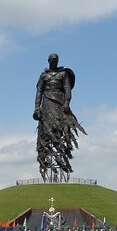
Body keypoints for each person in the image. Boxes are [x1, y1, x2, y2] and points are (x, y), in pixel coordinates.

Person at [34, 54, 85, 182]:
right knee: (47, 130)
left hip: (60, 103)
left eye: (55, 60)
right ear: (48, 61)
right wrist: (36, 108)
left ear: (57, 61)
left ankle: (63, 154)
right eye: (51, 60)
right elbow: (39, 91)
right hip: (47, 104)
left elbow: (68, 90)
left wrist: (67, 103)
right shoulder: (43, 76)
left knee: (62, 128)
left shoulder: (63, 74)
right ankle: (48, 158)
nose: (53, 62)